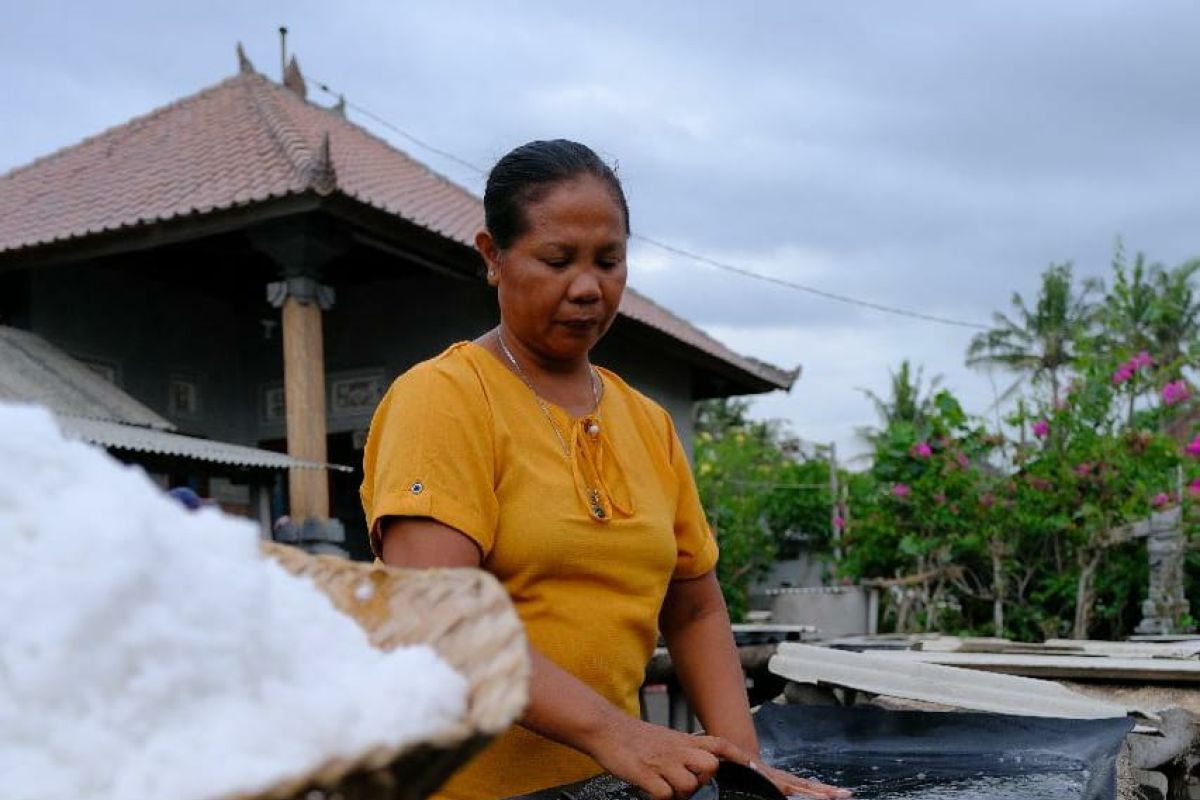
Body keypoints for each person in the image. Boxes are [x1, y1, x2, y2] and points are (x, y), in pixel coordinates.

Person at [360, 140, 848, 800]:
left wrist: (746, 770)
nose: (588, 288)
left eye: (609, 261)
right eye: (557, 260)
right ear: (492, 258)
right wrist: (614, 733)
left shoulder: (647, 424)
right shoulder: (443, 401)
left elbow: (696, 606)